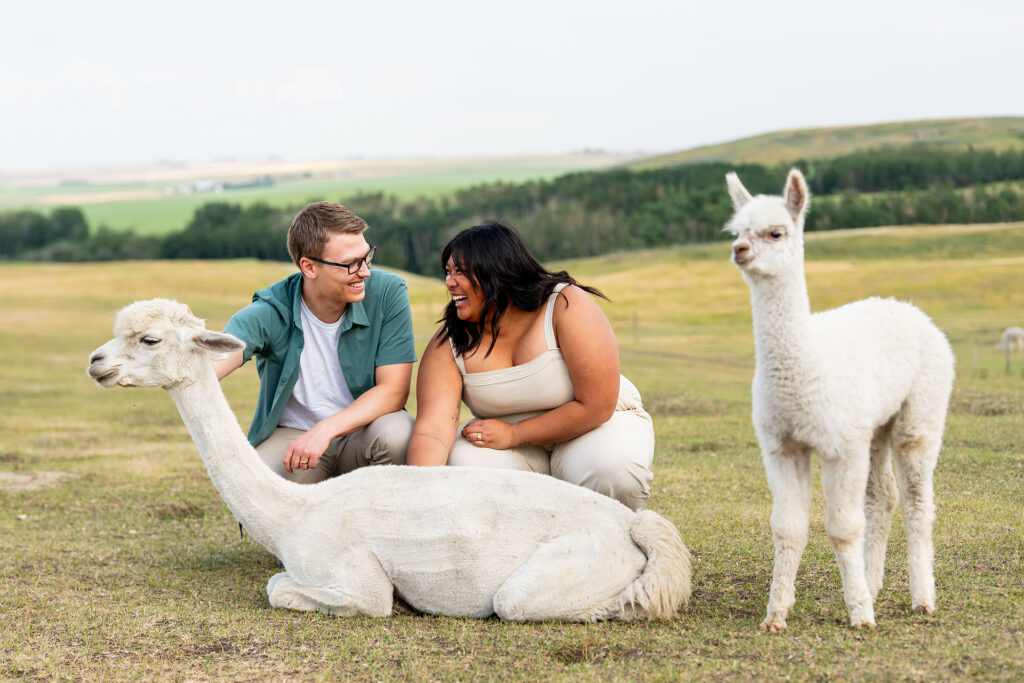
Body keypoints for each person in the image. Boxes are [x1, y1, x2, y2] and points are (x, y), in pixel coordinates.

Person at [407, 221, 654, 510]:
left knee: (612, 471)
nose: (449, 283)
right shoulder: (448, 342)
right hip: (511, 448)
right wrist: (419, 493)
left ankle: (611, 541)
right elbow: (432, 430)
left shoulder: (564, 304)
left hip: (595, 427)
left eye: (460, 272)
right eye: (447, 272)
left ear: (496, 272)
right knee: (465, 465)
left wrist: (515, 434)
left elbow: (597, 405)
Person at [213, 201, 417, 483]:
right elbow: (214, 364)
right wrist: (181, 338)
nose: (365, 272)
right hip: (292, 436)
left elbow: (394, 391)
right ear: (309, 267)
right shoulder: (270, 310)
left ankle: (385, 524)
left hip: (363, 430)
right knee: (262, 480)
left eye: (366, 256)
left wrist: (325, 430)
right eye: (350, 264)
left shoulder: (387, 292)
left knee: (400, 434)